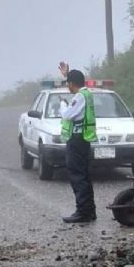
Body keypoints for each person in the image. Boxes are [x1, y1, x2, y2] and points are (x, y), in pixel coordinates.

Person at [58, 62, 97, 223]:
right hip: (84, 139)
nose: (67, 86)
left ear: (71, 84)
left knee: (78, 176)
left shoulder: (80, 96)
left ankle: (83, 212)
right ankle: (89, 210)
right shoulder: (86, 93)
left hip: (77, 140)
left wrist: (61, 104)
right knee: (84, 176)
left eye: (68, 83)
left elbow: (67, 115)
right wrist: (67, 74)